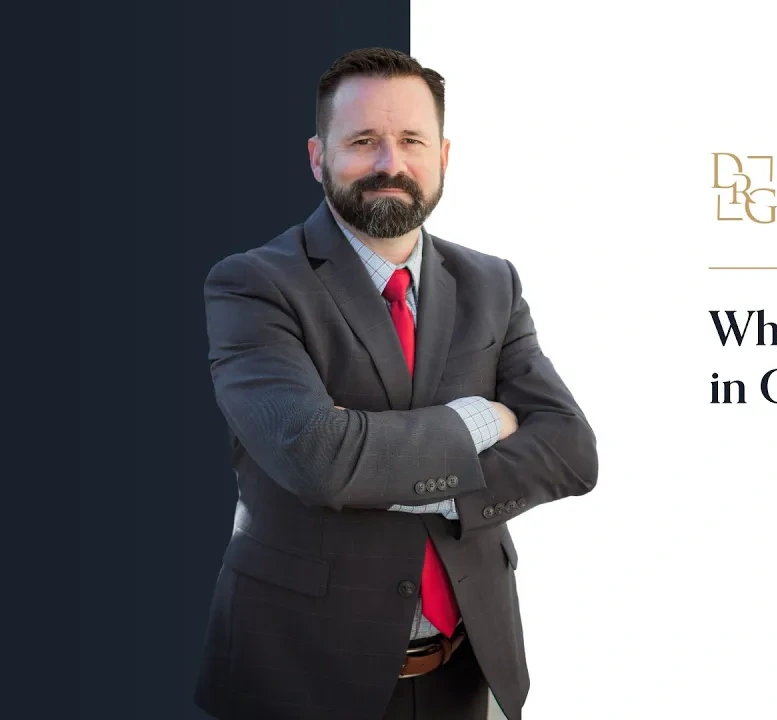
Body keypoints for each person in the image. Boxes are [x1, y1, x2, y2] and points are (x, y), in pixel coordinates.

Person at [192, 47, 598, 720]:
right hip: (301, 675)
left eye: (411, 140)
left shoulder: (492, 283)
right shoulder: (253, 285)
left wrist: (388, 468)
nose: (391, 163)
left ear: (442, 154)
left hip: (467, 669)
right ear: (318, 157)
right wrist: (482, 420)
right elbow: (318, 458)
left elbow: (572, 452)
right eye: (362, 141)